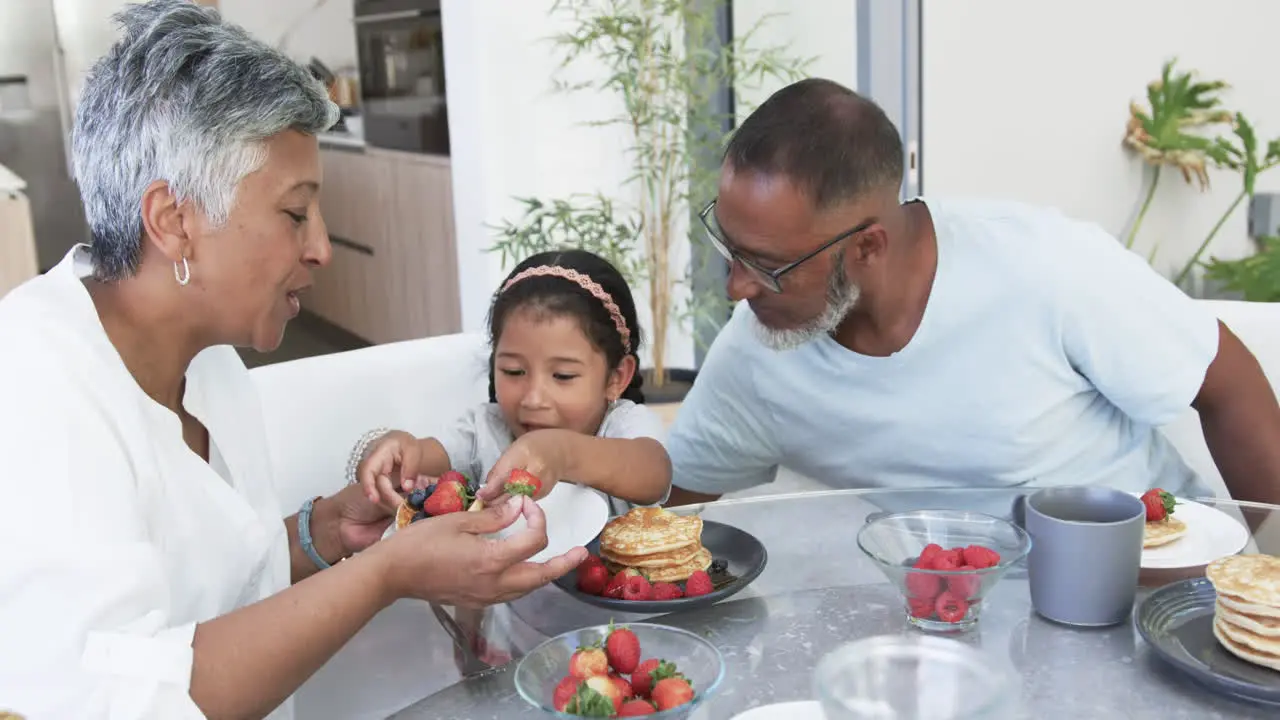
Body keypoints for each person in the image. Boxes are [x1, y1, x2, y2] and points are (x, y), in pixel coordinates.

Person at [0, 3, 583, 719]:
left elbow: (209, 589)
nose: (321, 248)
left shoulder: (208, 362)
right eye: (295, 213)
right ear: (173, 220)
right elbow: (121, 696)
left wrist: (330, 532)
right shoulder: (32, 390)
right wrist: (384, 574)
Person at [664, 77, 1280, 508]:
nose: (735, 288)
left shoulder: (1044, 265)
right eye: (729, 245)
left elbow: (1229, 387)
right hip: (952, 626)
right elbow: (671, 506)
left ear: (868, 247)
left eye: (767, 265)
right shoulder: (760, 346)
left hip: (1148, 583)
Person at [357, 249, 672, 510]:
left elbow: (654, 473)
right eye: (513, 371)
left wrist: (560, 452)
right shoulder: (485, 430)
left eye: (563, 376)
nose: (533, 398)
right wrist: (395, 451)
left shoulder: (622, 426)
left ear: (616, 377)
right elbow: (421, 457)